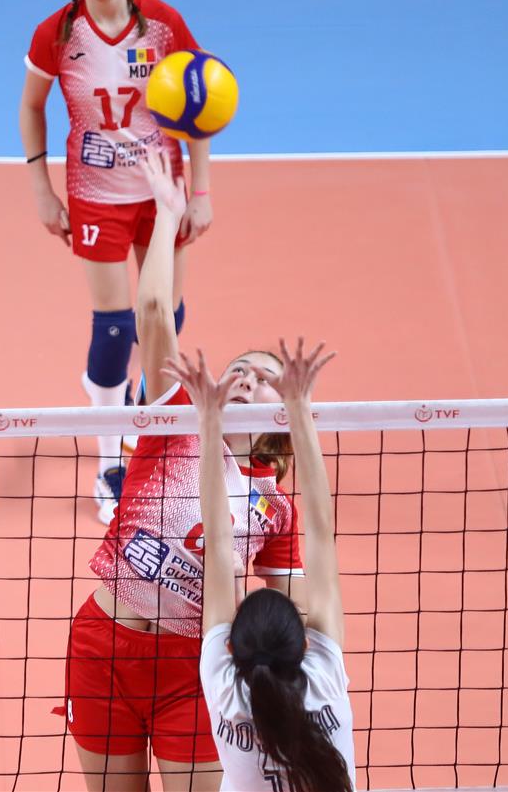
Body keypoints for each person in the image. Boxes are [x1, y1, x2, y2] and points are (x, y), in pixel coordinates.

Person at [52, 149, 304, 792]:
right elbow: (153, 313)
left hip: (194, 669)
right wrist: (167, 216)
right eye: (240, 368)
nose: (247, 376)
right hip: (102, 646)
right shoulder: (177, 418)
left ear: (284, 414)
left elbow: (293, 613)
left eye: (266, 377)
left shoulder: (277, 509)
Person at [19, 0, 215, 523]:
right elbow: (31, 106)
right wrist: (42, 190)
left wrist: (200, 191)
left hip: (161, 191)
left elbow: (199, 104)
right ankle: (111, 464)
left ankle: (143, 423)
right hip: (95, 192)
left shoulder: (164, 22)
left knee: (165, 318)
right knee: (113, 327)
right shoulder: (57, 33)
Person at [167, 338, 355, 792]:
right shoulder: (322, 680)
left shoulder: (225, 690)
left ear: (232, 648)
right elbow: (323, 533)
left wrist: (208, 420)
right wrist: (300, 407)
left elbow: (218, 542)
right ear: (304, 645)